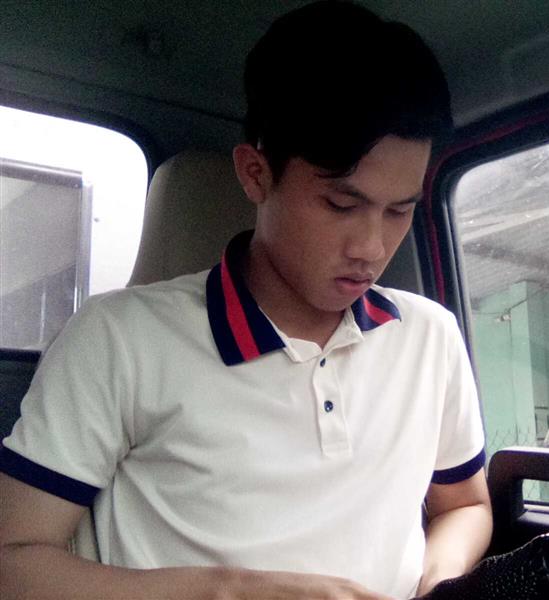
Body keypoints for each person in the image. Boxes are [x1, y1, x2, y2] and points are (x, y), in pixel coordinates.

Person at [0, 3, 492, 599]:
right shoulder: (118, 340)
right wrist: (225, 591)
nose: (371, 247)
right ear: (256, 174)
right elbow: (13, 559)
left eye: (400, 210)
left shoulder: (431, 337)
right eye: (342, 205)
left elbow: (465, 504)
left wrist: (438, 582)